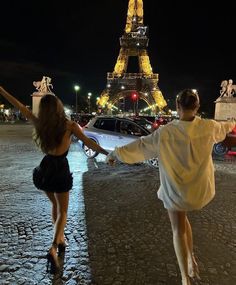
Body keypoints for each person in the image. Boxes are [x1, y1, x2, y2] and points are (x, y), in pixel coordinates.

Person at [106, 89, 235, 285]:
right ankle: (190, 259)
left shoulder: (165, 133)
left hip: (175, 192)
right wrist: (233, 121)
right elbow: (225, 127)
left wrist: (115, 154)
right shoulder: (209, 127)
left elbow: (140, 147)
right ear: (197, 107)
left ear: (177, 106)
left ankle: (185, 278)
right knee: (184, 223)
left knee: (178, 230)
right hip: (199, 190)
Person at [0, 86, 108, 273]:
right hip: (60, 168)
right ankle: (53, 246)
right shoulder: (70, 125)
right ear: (58, 107)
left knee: (55, 207)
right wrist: (105, 153)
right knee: (63, 211)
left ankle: (61, 238)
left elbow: (18, 105)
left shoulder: (40, 123)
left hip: (45, 168)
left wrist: (2, 90)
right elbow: (88, 142)